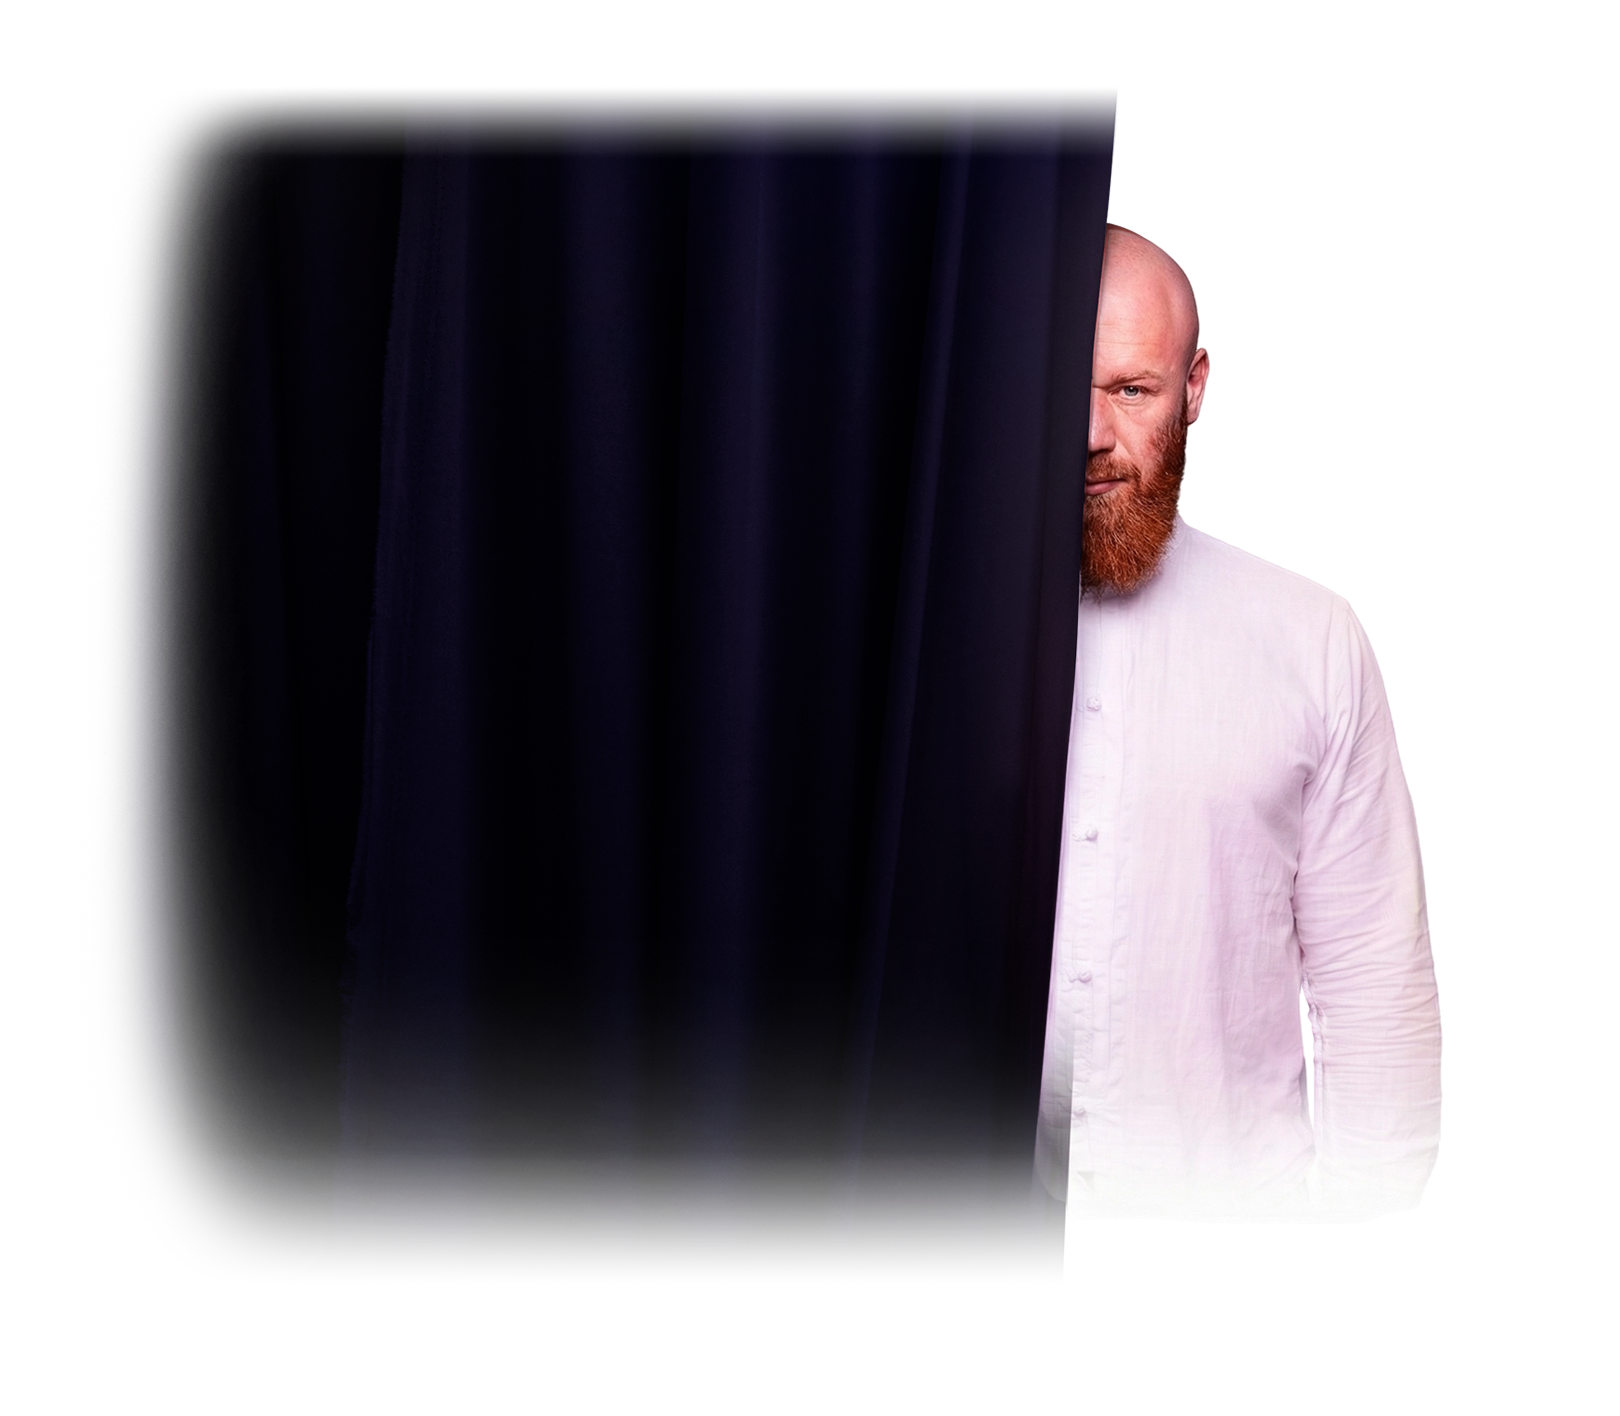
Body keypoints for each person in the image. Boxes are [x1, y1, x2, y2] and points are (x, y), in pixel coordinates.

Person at [1036, 225, 1442, 1233]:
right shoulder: (903, 634)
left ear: (1195, 387)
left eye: (1132, 389)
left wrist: (1365, 1217)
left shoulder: (1310, 637)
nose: (1089, 432)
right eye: (1056, 383)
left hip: (1231, 1211)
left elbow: (1373, 985)